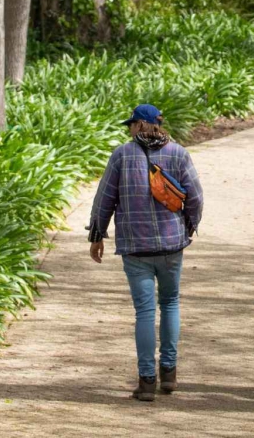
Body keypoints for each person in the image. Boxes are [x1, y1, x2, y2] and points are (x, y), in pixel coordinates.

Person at [87, 103, 205, 403]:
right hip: (171, 245)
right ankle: (169, 373)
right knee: (170, 303)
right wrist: (188, 225)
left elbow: (105, 197)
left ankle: (147, 380)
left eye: (131, 124)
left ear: (140, 125)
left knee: (144, 311)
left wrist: (97, 234)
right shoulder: (178, 153)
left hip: (135, 246)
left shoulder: (122, 155)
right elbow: (195, 196)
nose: (129, 129)